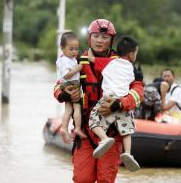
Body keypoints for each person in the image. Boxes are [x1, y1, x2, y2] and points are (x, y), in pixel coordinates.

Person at [53, 19, 144, 183]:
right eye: (96, 36)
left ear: (111, 40)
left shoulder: (123, 63)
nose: (100, 40)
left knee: (106, 180)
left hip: (111, 133)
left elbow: (138, 91)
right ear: (89, 38)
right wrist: (65, 95)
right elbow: (58, 86)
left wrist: (119, 104)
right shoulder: (76, 61)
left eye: (104, 37)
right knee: (81, 179)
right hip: (86, 133)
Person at [87, 36, 140, 172]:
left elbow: (91, 58)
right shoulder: (132, 69)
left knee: (93, 120)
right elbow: (135, 85)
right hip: (122, 100)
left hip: (108, 98)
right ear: (131, 54)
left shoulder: (109, 63)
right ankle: (127, 153)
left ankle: (104, 138)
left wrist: (89, 50)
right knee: (127, 131)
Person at [55, 31, 86, 143]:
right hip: (72, 85)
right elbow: (66, 75)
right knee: (77, 107)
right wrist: (76, 69)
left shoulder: (62, 58)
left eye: (76, 49)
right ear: (62, 48)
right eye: (71, 49)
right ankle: (77, 128)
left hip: (65, 86)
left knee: (68, 109)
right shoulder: (68, 61)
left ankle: (64, 128)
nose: (74, 52)